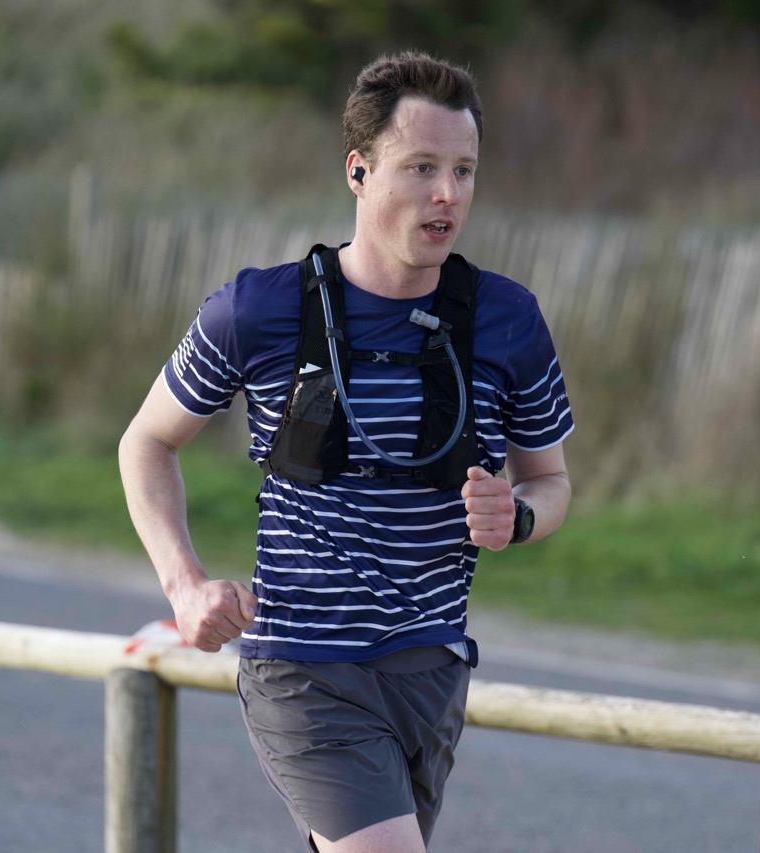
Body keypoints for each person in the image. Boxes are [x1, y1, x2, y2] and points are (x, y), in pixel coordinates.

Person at [119, 51, 574, 853]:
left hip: (431, 671)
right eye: (422, 167)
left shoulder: (507, 320)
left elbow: (551, 480)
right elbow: (146, 442)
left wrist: (519, 515)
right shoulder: (258, 310)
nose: (448, 194)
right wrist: (184, 585)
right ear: (358, 172)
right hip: (303, 666)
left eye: (464, 170)